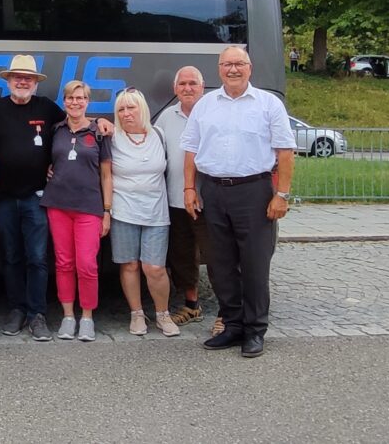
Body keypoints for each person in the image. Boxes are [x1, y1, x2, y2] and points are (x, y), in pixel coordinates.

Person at [181, 46, 295, 358]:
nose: (233, 69)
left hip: (254, 192)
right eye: (228, 64)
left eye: (239, 64)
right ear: (219, 69)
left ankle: (255, 329)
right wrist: (189, 188)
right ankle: (231, 324)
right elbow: (190, 150)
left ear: (250, 67)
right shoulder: (205, 105)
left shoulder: (268, 104)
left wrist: (281, 195)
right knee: (221, 264)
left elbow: (285, 152)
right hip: (213, 191)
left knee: (255, 264)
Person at [0, 55, 64, 341]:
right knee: (11, 257)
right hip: (2, 198)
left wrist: (102, 124)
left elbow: (73, 128)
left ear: (35, 82)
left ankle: (37, 314)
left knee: (37, 258)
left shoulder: (48, 108)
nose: (22, 81)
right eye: (17, 77)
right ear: (8, 81)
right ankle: (16, 309)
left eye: (28, 77)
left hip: (37, 198)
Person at [40, 80, 112, 341]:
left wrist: (107, 210)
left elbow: (106, 175)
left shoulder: (99, 132)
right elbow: (48, 161)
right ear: (64, 101)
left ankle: (87, 318)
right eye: (70, 98)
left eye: (80, 98)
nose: (75, 102)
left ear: (87, 102)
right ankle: (68, 316)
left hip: (89, 208)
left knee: (87, 264)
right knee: (63, 263)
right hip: (58, 205)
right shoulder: (56, 130)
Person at [155, 67, 220, 335]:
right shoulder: (166, 118)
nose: (188, 88)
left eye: (193, 83)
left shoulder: (214, 114)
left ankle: (228, 312)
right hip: (175, 200)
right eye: (182, 83)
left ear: (202, 87)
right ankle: (191, 304)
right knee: (182, 257)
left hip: (209, 201)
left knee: (217, 257)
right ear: (175, 89)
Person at [110, 87, 179, 337]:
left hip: (156, 214)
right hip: (123, 211)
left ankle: (163, 314)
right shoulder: (112, 137)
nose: (127, 113)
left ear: (143, 108)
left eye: (131, 107)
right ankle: (137, 314)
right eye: (121, 109)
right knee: (129, 266)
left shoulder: (158, 135)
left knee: (155, 268)